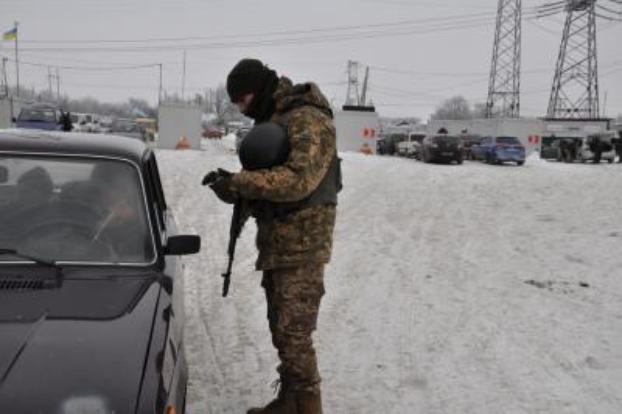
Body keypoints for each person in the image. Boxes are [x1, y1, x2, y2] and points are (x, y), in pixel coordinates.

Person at [206, 58, 340, 414]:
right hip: (280, 242)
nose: (241, 108)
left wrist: (241, 183)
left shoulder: (306, 117)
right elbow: (269, 176)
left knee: (295, 337)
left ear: (259, 89)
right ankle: (290, 403)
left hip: (303, 244)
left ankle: (309, 407)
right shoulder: (276, 118)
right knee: (281, 331)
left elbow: (298, 180)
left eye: (243, 99)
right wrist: (234, 187)